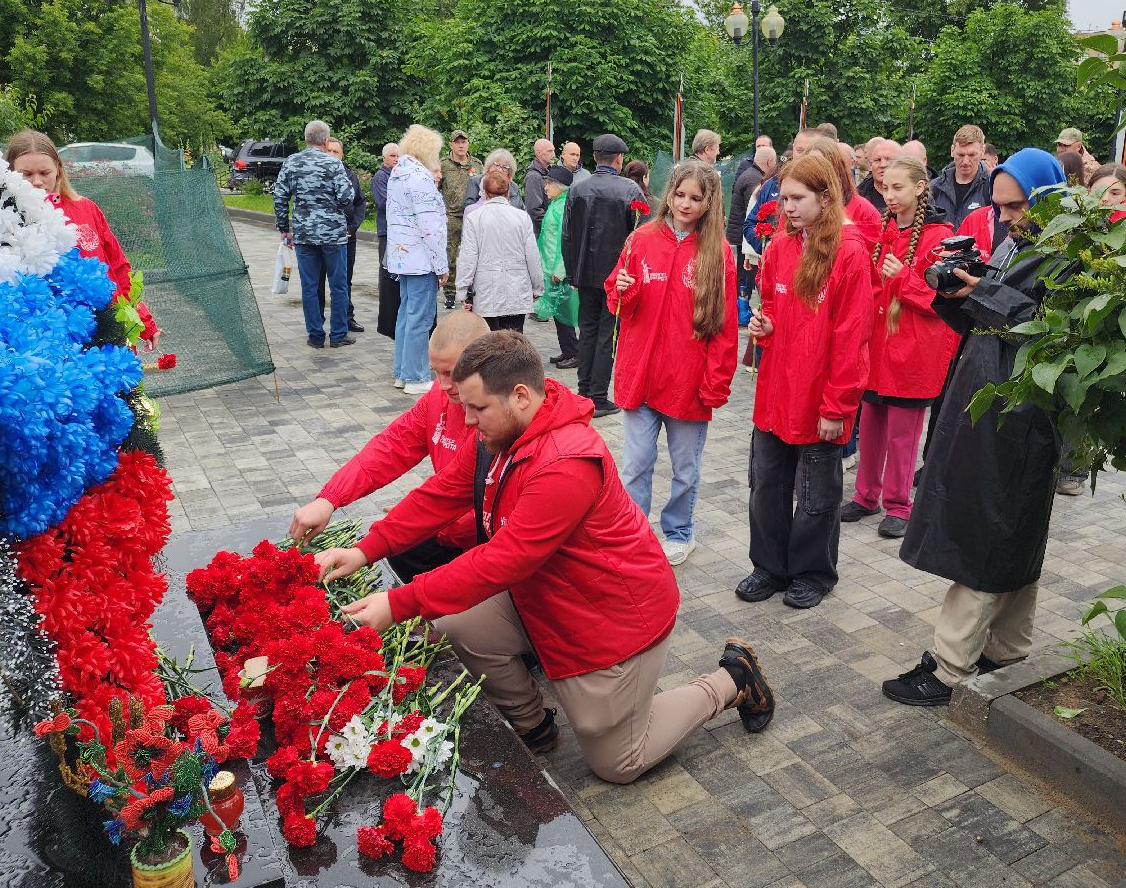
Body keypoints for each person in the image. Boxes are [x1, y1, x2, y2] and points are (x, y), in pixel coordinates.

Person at [310, 332, 776, 784]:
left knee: (617, 762)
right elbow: (441, 494)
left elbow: (501, 562)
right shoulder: (505, 433)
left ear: (519, 396)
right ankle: (534, 726)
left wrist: (398, 604)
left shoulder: (566, 462)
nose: (467, 421)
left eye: (476, 408)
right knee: (456, 628)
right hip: (548, 593)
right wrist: (365, 549)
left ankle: (732, 679)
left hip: (612, 615)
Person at [883, 148, 1068, 706]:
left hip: (1021, 411)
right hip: (994, 403)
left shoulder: (1067, 253)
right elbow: (1001, 308)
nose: (1006, 217)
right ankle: (1006, 648)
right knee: (1012, 526)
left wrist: (981, 291)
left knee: (990, 526)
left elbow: (1055, 327)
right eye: (1001, 206)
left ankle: (948, 666)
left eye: (1016, 207)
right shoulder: (1024, 241)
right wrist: (960, 290)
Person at [738, 151, 874, 610]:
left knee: (817, 495)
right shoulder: (779, 247)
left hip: (819, 399)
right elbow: (776, 311)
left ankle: (813, 573)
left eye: (798, 198)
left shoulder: (849, 253)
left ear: (825, 196)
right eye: (784, 198)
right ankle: (768, 566)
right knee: (767, 485)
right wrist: (765, 325)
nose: (788, 207)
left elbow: (853, 338)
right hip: (776, 393)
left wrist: (837, 408)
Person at [288, 310, 492, 582]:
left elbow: (485, 508)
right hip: (447, 518)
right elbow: (391, 447)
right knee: (396, 546)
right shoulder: (437, 399)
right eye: (436, 372)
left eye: (451, 374)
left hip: (488, 538)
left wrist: (418, 523)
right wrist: (329, 499)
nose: (442, 385)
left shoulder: (502, 419)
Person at [606, 160, 738, 566]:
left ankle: (679, 531)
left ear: (708, 202)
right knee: (636, 465)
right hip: (642, 375)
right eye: (679, 195)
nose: (685, 204)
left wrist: (715, 383)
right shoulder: (641, 239)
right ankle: (634, 533)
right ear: (669, 194)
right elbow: (618, 303)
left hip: (688, 380)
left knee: (685, 468)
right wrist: (622, 290)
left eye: (695, 198)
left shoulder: (718, 254)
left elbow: (726, 327)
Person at [841, 156, 958, 537]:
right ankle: (865, 495)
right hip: (876, 346)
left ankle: (898, 503)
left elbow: (943, 298)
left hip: (911, 349)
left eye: (897, 188)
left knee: (903, 432)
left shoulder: (940, 236)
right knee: (871, 423)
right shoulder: (884, 230)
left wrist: (904, 277)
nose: (889, 196)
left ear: (920, 188)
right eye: (884, 188)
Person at [5, 130, 160, 350]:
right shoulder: (2, 221)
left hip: (104, 332)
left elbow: (117, 267)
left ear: (58, 170)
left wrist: (144, 321)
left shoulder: (85, 209)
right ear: (9, 173)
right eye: (26, 174)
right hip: (42, 341)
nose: (37, 181)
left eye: (44, 172)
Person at [560, 133, 646, 418]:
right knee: (607, 333)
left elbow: (567, 236)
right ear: (619, 159)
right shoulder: (629, 190)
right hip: (616, 275)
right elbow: (641, 236)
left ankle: (585, 391)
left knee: (588, 330)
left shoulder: (577, 189)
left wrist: (573, 272)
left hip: (585, 273)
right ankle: (596, 395)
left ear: (595, 157)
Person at [273, 120, 356, 350]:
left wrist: (283, 228)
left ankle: (315, 335)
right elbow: (347, 197)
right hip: (332, 234)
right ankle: (338, 334)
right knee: (338, 286)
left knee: (309, 286)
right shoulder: (333, 164)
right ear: (327, 141)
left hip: (304, 234)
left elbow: (280, 197)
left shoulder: (291, 163)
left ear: (306, 138)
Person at [387, 125, 449, 394]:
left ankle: (402, 371)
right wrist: (442, 265)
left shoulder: (398, 174)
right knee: (420, 319)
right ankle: (415, 376)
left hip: (403, 257)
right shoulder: (420, 178)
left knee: (405, 315)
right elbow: (430, 227)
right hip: (421, 259)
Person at [455, 151, 543, 333]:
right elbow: (532, 256)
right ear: (508, 191)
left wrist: (462, 290)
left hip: (487, 290)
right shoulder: (522, 217)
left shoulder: (474, 218)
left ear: (484, 192)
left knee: (490, 341)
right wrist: (537, 287)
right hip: (517, 288)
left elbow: (468, 258)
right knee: (514, 340)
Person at [317, 137, 365, 334]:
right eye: (329, 151)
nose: (332, 155)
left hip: (347, 237)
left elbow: (360, 203)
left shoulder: (350, 175)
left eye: (336, 152)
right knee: (319, 280)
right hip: (323, 237)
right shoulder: (317, 175)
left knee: (345, 280)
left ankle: (347, 317)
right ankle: (318, 320)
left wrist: (352, 227)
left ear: (342, 154)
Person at [538, 165, 580, 369]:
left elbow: (566, 241)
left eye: (549, 184)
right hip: (549, 268)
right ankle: (567, 350)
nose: (546, 188)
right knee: (558, 311)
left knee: (564, 311)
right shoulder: (556, 204)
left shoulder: (563, 207)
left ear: (560, 186)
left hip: (558, 271)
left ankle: (574, 351)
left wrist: (560, 270)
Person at [440, 130, 482, 306]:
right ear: (451, 144)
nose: (461, 145)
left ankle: (471, 290)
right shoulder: (443, 165)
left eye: (463, 142)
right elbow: (435, 188)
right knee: (450, 254)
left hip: (473, 216)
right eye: (457, 142)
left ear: (468, 143)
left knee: (473, 253)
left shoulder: (477, 165)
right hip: (452, 215)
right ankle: (450, 292)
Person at [728, 146, 772, 298]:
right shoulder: (755, 178)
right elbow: (753, 211)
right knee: (745, 276)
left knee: (743, 274)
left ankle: (742, 306)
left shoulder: (749, 173)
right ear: (770, 161)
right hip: (745, 236)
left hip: (740, 233)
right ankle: (742, 310)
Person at [929, 125, 992, 226]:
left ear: (982, 151)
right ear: (952, 150)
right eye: (961, 155)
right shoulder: (935, 187)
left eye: (972, 155)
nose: (966, 161)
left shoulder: (991, 187)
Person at [373, 143, 401, 337]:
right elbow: (385, 203)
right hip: (387, 232)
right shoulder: (380, 177)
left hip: (401, 234)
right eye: (392, 156)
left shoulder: (402, 176)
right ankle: (387, 316)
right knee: (386, 273)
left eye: (399, 156)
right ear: (384, 158)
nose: (396, 159)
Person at [858, 138, 900, 213]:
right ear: (871, 165)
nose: (882, 165)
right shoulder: (857, 198)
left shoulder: (914, 198)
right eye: (877, 160)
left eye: (888, 159)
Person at [523, 138, 555, 235]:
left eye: (554, 151)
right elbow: (534, 210)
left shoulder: (548, 173)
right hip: (540, 234)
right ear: (538, 153)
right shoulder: (534, 177)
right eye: (549, 151)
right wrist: (551, 229)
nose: (553, 155)